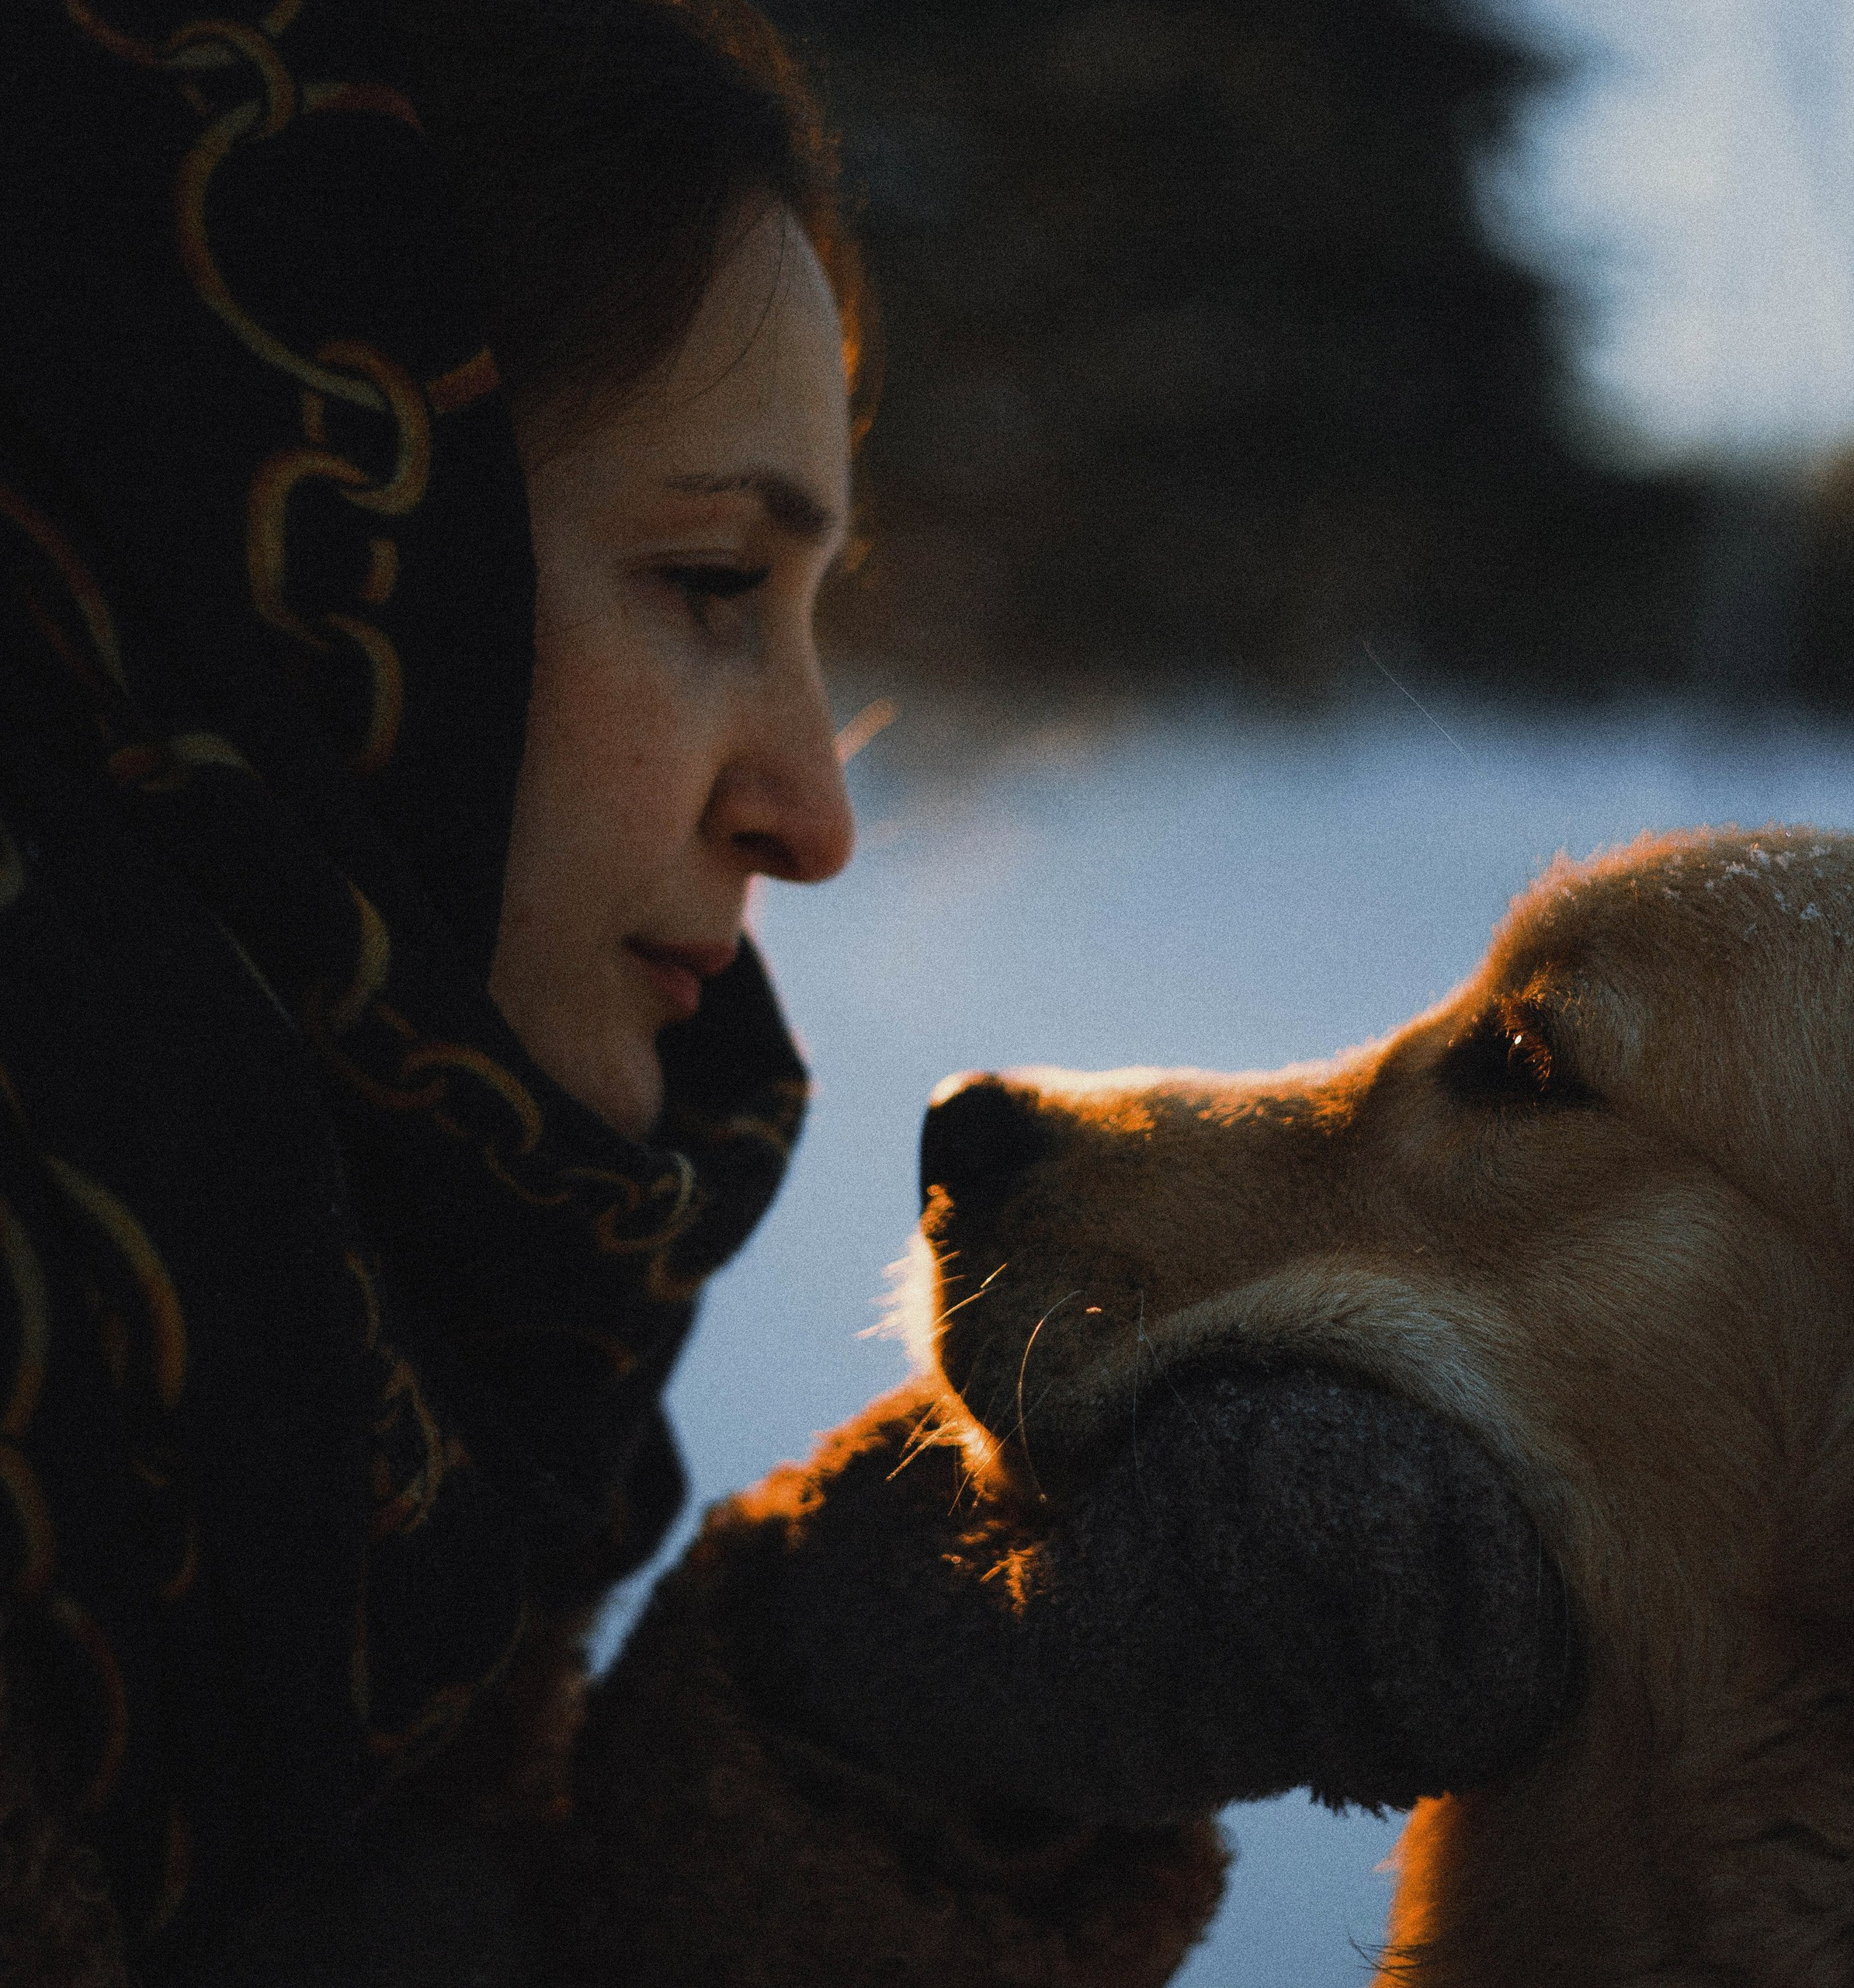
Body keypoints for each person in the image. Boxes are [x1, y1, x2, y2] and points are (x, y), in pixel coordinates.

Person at [0, 2, 1224, 1980]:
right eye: (708, 582)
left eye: (814, 615)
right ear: (292, 557)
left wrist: (872, 1737)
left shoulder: (386, 1360)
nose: (817, 813)